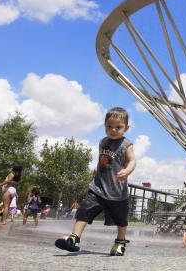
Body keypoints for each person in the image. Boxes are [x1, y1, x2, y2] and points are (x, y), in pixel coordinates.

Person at [55, 107, 136, 256]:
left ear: (126, 128)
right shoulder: (103, 141)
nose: (113, 130)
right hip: (98, 187)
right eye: (109, 126)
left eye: (118, 127)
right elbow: (103, 159)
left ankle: (120, 241)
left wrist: (128, 170)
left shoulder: (126, 144)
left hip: (117, 192)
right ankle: (74, 238)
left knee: (121, 220)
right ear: (105, 126)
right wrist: (96, 170)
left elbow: (132, 161)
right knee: (84, 211)